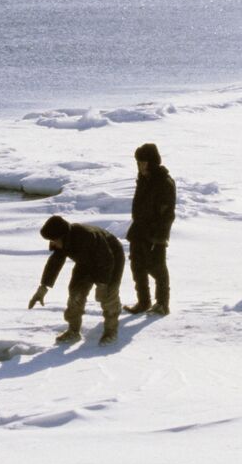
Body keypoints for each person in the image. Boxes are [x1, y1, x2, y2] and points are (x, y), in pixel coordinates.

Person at [28, 215, 125, 345]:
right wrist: (43, 287)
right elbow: (55, 262)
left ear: (63, 235)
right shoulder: (61, 240)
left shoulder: (88, 236)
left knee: (108, 295)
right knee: (75, 292)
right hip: (85, 261)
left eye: (54, 240)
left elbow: (107, 260)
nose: (52, 243)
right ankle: (73, 331)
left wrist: (102, 285)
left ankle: (111, 330)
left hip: (112, 258)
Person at [125, 143, 177, 315]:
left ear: (152, 162)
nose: (140, 166)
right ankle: (144, 301)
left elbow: (167, 213)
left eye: (144, 162)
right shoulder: (143, 179)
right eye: (138, 162)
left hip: (155, 233)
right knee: (137, 266)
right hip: (139, 230)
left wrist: (159, 236)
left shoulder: (164, 182)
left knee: (157, 268)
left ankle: (162, 304)